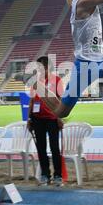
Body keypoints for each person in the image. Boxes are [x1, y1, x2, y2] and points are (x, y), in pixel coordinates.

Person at [27, 56, 64, 186]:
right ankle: (45, 175)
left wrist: (60, 118)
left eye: (41, 66)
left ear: (48, 67)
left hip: (52, 119)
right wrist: (29, 119)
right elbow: (32, 101)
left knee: (55, 148)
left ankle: (58, 176)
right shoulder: (35, 82)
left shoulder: (57, 80)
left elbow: (61, 101)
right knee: (41, 149)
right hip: (37, 119)